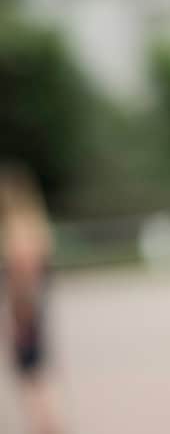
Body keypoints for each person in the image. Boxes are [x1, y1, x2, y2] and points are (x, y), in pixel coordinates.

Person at [1, 164, 62, 434]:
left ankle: (45, 425)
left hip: (24, 306)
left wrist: (19, 314)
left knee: (30, 370)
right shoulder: (36, 222)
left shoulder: (16, 228)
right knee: (37, 368)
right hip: (35, 303)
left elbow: (23, 272)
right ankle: (47, 422)